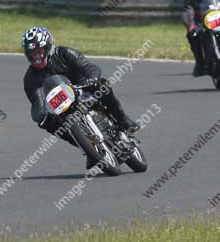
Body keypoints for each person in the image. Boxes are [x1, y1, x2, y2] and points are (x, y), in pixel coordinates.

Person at [21, 26, 138, 167]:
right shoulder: (30, 79)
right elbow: (36, 102)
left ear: (48, 46)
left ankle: (123, 119)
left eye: (39, 51)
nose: (37, 57)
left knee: (102, 84)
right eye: (32, 54)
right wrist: (40, 115)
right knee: (46, 123)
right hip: (62, 106)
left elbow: (90, 68)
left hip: (83, 88)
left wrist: (92, 79)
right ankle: (89, 149)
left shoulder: (65, 53)